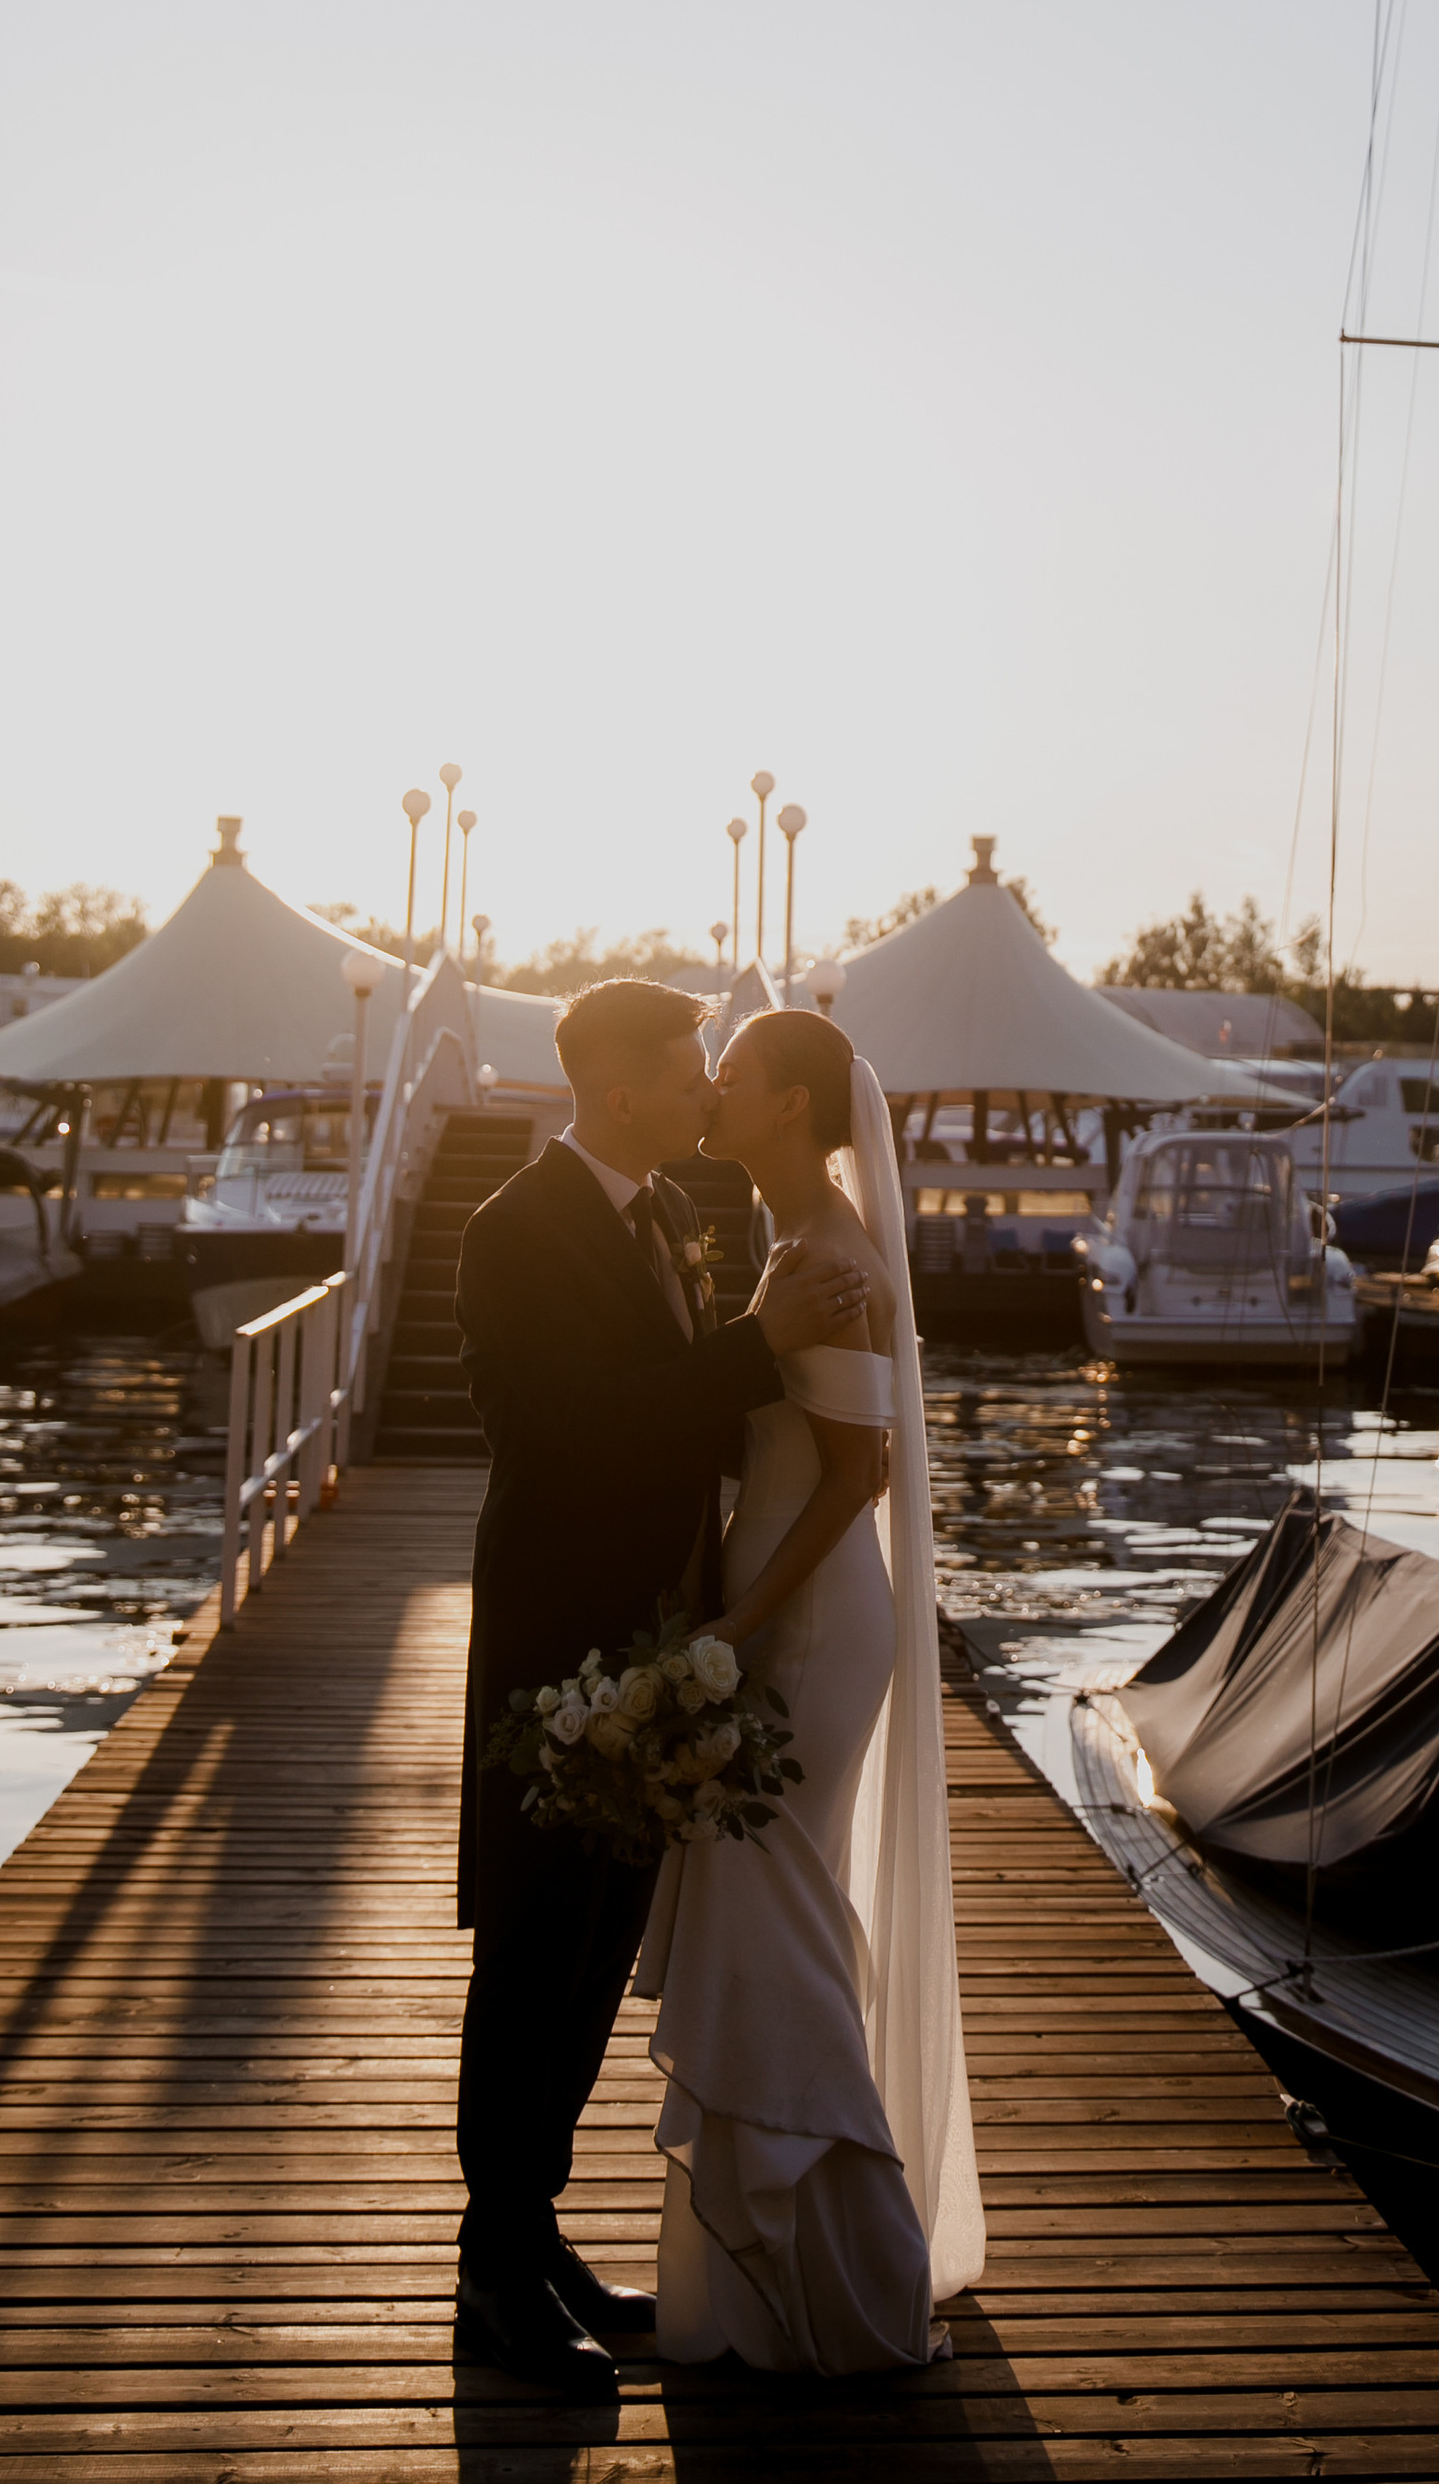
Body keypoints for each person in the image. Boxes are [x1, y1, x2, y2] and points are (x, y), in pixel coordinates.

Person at [452, 977, 871, 2386]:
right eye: (690, 1066)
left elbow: (705, 1413)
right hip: (556, 1645)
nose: (706, 1088)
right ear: (619, 1089)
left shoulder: (674, 1221)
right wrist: (761, 1342)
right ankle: (492, 2278)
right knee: (528, 1954)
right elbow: (569, 1434)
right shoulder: (514, 1233)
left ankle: (538, 2227)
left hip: (659, 1639)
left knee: (593, 1951)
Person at [636, 1007, 985, 2371]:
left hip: (812, 1629)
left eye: (732, 1078)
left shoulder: (833, 1258)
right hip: (777, 1612)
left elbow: (858, 1480)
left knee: (772, 1909)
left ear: (790, 1106)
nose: (708, 1094)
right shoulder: (794, 1243)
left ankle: (853, 2267)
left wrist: (731, 1623)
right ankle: (779, 2266)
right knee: (775, 1916)